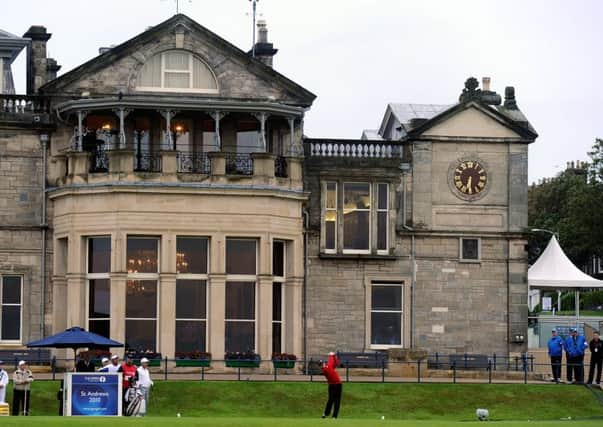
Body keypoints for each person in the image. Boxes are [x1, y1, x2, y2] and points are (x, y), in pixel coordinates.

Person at [321, 352, 342, 419]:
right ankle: (333, 416)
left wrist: (334, 356)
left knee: (332, 400)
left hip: (334, 385)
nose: (324, 363)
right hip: (336, 385)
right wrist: (331, 355)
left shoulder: (328, 368)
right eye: (323, 363)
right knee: (335, 401)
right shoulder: (327, 368)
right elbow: (331, 362)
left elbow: (335, 363)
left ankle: (326, 414)